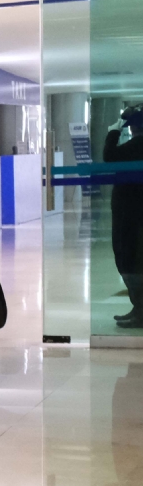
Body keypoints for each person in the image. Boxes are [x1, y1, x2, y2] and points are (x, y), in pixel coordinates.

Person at [104, 106, 143, 326]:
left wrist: (113, 131)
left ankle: (140, 310)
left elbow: (109, 156)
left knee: (128, 259)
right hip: (132, 211)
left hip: (130, 212)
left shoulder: (138, 144)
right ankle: (138, 307)